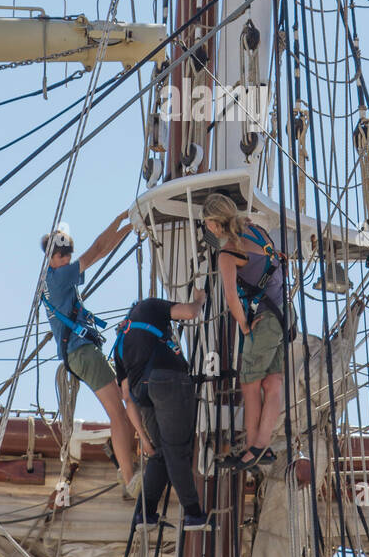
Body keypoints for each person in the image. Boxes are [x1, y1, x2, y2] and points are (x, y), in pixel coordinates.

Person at [41, 214, 144, 499]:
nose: (67, 261)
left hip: (78, 355)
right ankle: (129, 478)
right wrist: (127, 225)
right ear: (54, 257)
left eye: (68, 256)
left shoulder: (50, 278)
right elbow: (99, 249)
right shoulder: (60, 277)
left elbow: (98, 248)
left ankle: (129, 465)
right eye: (63, 256)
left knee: (123, 407)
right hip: (82, 352)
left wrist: (125, 222)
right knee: (120, 415)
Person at [203, 193, 293, 470]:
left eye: (207, 223)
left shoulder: (229, 252)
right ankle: (261, 446)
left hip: (265, 321)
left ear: (214, 224)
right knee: (273, 382)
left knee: (251, 384)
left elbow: (231, 297)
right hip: (286, 314)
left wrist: (243, 325)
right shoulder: (258, 230)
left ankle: (252, 450)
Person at [113, 288, 209, 529]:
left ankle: (145, 515)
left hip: (143, 397)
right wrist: (199, 300)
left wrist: (144, 438)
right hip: (168, 382)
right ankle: (194, 514)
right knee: (177, 450)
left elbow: (127, 397)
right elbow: (188, 312)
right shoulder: (150, 307)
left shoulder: (120, 344)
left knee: (161, 454)